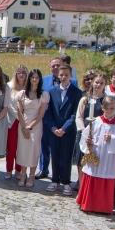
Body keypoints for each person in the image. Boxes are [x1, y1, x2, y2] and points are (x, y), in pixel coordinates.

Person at [75, 96, 115, 214]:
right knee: (92, 175)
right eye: (107, 108)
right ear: (102, 108)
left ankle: (103, 207)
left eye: (112, 108)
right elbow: (85, 137)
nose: (109, 111)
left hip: (109, 158)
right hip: (96, 154)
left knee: (106, 179)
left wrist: (113, 139)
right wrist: (88, 143)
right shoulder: (96, 121)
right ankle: (87, 204)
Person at [45, 64, 81, 195]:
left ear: (70, 75)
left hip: (68, 131)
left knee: (66, 156)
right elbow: (48, 113)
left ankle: (66, 181)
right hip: (54, 130)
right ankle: (55, 180)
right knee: (55, 155)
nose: (64, 77)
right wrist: (53, 128)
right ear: (58, 76)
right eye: (61, 75)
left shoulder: (76, 92)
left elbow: (75, 113)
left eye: (66, 75)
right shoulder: (51, 91)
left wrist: (64, 128)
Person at [14, 68, 48, 188]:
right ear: (29, 79)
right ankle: (23, 174)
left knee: (33, 149)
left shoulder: (43, 94)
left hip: (36, 125)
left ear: (40, 79)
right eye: (32, 77)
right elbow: (19, 111)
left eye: (37, 77)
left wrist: (30, 127)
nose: (34, 79)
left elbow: (41, 115)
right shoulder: (22, 94)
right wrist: (24, 127)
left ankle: (32, 175)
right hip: (23, 124)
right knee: (23, 149)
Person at [75, 71, 107, 183]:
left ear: (104, 85)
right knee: (81, 160)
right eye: (96, 82)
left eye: (101, 83)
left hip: (98, 135)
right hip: (84, 133)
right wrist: (84, 132)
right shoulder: (85, 99)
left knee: (94, 160)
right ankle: (81, 185)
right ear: (93, 83)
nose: (98, 85)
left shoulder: (106, 101)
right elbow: (79, 116)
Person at [36, 56, 64, 179]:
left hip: (62, 119)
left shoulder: (71, 81)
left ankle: (57, 173)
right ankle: (43, 169)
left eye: (58, 65)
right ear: (50, 67)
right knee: (44, 146)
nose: (56, 68)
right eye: (53, 66)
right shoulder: (44, 80)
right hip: (46, 118)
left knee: (59, 148)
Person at [5, 65, 28, 181]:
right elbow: (8, 104)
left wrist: (24, 119)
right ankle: (9, 170)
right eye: (19, 72)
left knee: (21, 147)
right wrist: (19, 117)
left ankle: (18, 170)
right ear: (16, 74)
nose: (21, 75)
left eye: (24, 73)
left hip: (25, 122)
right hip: (13, 121)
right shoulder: (9, 86)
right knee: (11, 147)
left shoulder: (29, 87)